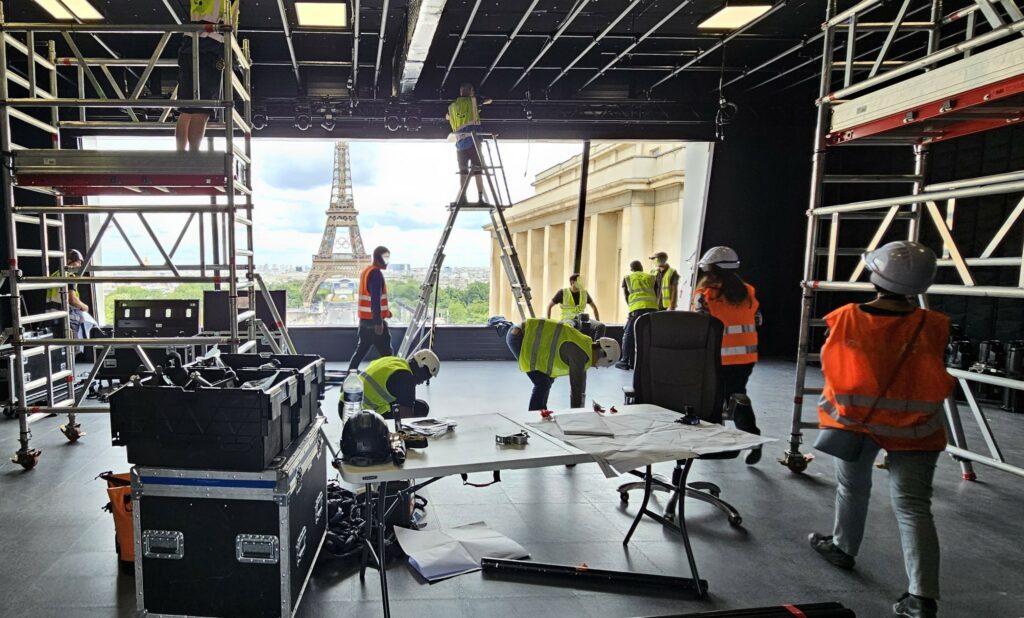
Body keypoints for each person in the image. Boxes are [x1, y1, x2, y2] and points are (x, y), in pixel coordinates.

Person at [807, 241, 952, 618]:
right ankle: (921, 597)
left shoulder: (846, 319)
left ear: (875, 275)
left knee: (852, 488)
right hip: (918, 431)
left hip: (858, 425)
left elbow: (834, 373)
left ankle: (843, 548)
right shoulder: (936, 325)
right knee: (914, 508)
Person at [693, 246, 763, 464]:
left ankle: (716, 445)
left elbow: (698, 325)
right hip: (745, 358)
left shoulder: (705, 296)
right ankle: (752, 437)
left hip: (717, 358)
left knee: (712, 399)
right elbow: (758, 319)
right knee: (737, 395)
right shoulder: (748, 291)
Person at [505, 317, 620, 411]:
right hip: (519, 336)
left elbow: (580, 381)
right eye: (601, 365)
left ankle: (541, 410)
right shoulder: (580, 354)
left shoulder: (585, 346)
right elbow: (577, 387)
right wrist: (577, 414)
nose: (597, 367)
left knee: (546, 380)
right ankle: (534, 416)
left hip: (520, 333)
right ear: (603, 354)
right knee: (542, 383)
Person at [175, 0, 239, 152]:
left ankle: (180, 154)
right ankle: (193, 154)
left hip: (189, 42)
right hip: (210, 44)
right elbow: (230, 22)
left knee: (187, 108)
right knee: (202, 108)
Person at [345, 350, 441, 420]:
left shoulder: (397, 362)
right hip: (357, 414)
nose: (422, 382)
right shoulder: (406, 379)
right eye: (425, 378)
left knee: (419, 405)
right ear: (421, 368)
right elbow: (406, 419)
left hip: (346, 403)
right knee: (420, 409)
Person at [349, 246, 394, 371]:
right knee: (388, 355)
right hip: (374, 323)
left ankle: (349, 377)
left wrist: (386, 312)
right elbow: (375, 300)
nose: (387, 261)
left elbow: (369, 298)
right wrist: (378, 323)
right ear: (378, 258)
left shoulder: (366, 271)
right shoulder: (376, 274)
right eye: (385, 257)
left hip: (364, 321)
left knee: (360, 352)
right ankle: (393, 378)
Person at [446, 82, 492, 204]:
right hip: (473, 142)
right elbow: (489, 100)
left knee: (463, 172)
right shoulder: (473, 102)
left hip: (460, 144)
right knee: (478, 171)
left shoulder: (452, 107)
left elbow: (447, 117)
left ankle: (463, 199)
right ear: (471, 91)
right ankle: (481, 199)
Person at [615, 260, 659, 370]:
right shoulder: (651, 277)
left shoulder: (628, 278)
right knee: (649, 334)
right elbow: (657, 292)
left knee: (628, 333)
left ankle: (624, 361)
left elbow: (626, 295)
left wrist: (631, 307)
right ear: (641, 268)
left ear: (631, 269)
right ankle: (648, 362)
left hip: (637, 308)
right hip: (652, 308)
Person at [48, 249, 98, 339]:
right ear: (69, 261)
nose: (79, 265)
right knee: (71, 348)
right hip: (66, 319)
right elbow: (72, 300)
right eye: (78, 262)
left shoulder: (55, 275)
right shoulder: (69, 276)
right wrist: (85, 307)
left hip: (51, 319)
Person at [546, 273, 605, 338]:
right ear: (572, 282)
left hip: (582, 319)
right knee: (570, 326)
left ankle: (595, 346)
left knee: (600, 326)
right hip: (567, 319)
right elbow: (549, 306)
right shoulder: (563, 292)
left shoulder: (584, 293)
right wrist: (549, 322)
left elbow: (594, 307)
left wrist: (598, 320)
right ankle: (572, 346)